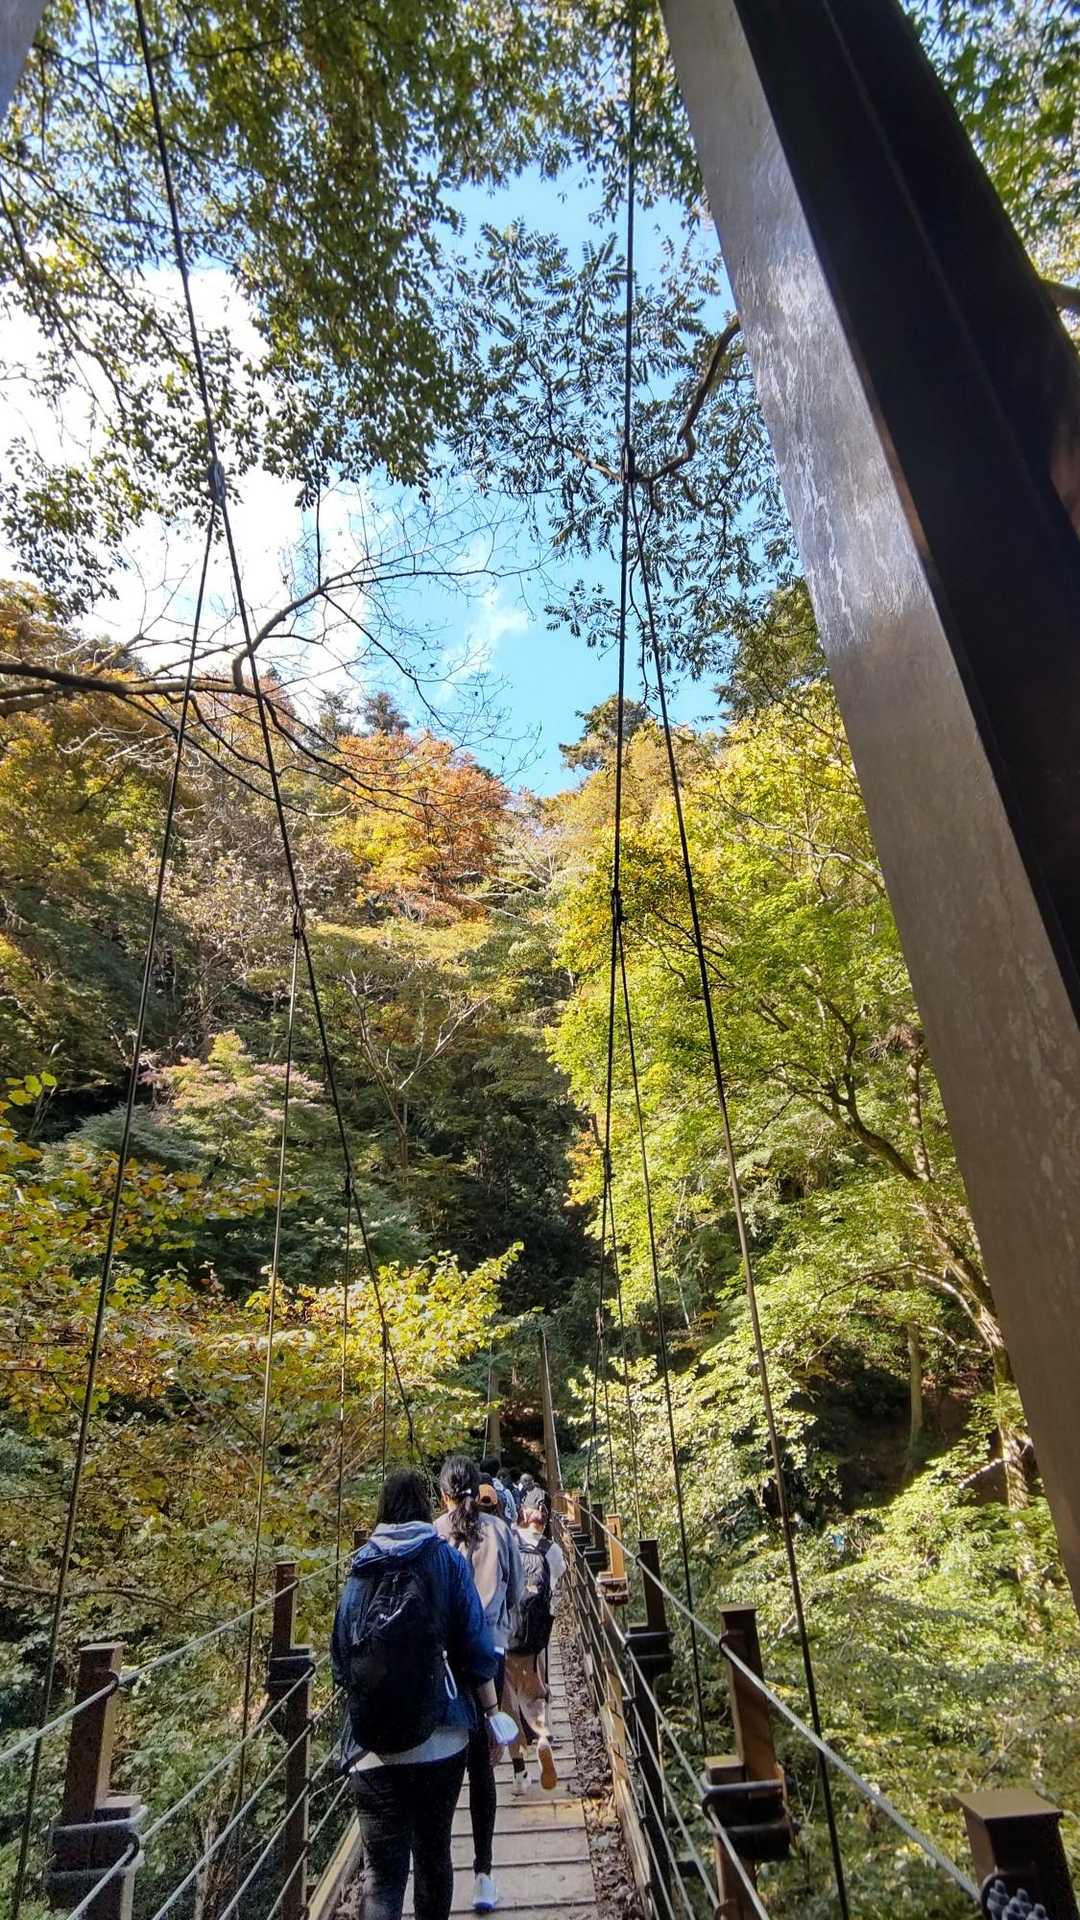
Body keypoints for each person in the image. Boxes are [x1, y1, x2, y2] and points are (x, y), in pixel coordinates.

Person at [331, 1468, 515, 1920]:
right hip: (441, 1738)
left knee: (382, 1879)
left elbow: (339, 1663)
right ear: (425, 1506)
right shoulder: (446, 1562)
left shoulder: (359, 1568)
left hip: (372, 1748)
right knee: (433, 1858)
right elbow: (477, 1649)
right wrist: (491, 1710)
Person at [436, 1456, 523, 1912]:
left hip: (446, 1663)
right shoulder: (501, 1531)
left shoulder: (433, 1534)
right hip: (490, 1657)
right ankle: (484, 1876)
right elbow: (516, 1592)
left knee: (447, 1765)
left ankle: (436, 1876)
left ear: (443, 1495)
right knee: (482, 1768)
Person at [504, 1488, 565, 1795]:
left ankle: (519, 1771)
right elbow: (557, 1591)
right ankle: (542, 1737)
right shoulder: (552, 1551)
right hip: (535, 1637)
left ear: (523, 1512)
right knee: (534, 1693)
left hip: (506, 1633)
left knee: (507, 1703)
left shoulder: (509, 1539)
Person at [480, 1453, 519, 1526]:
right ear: (498, 1471)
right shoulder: (505, 1492)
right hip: (500, 1529)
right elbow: (514, 1517)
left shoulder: (475, 1490)